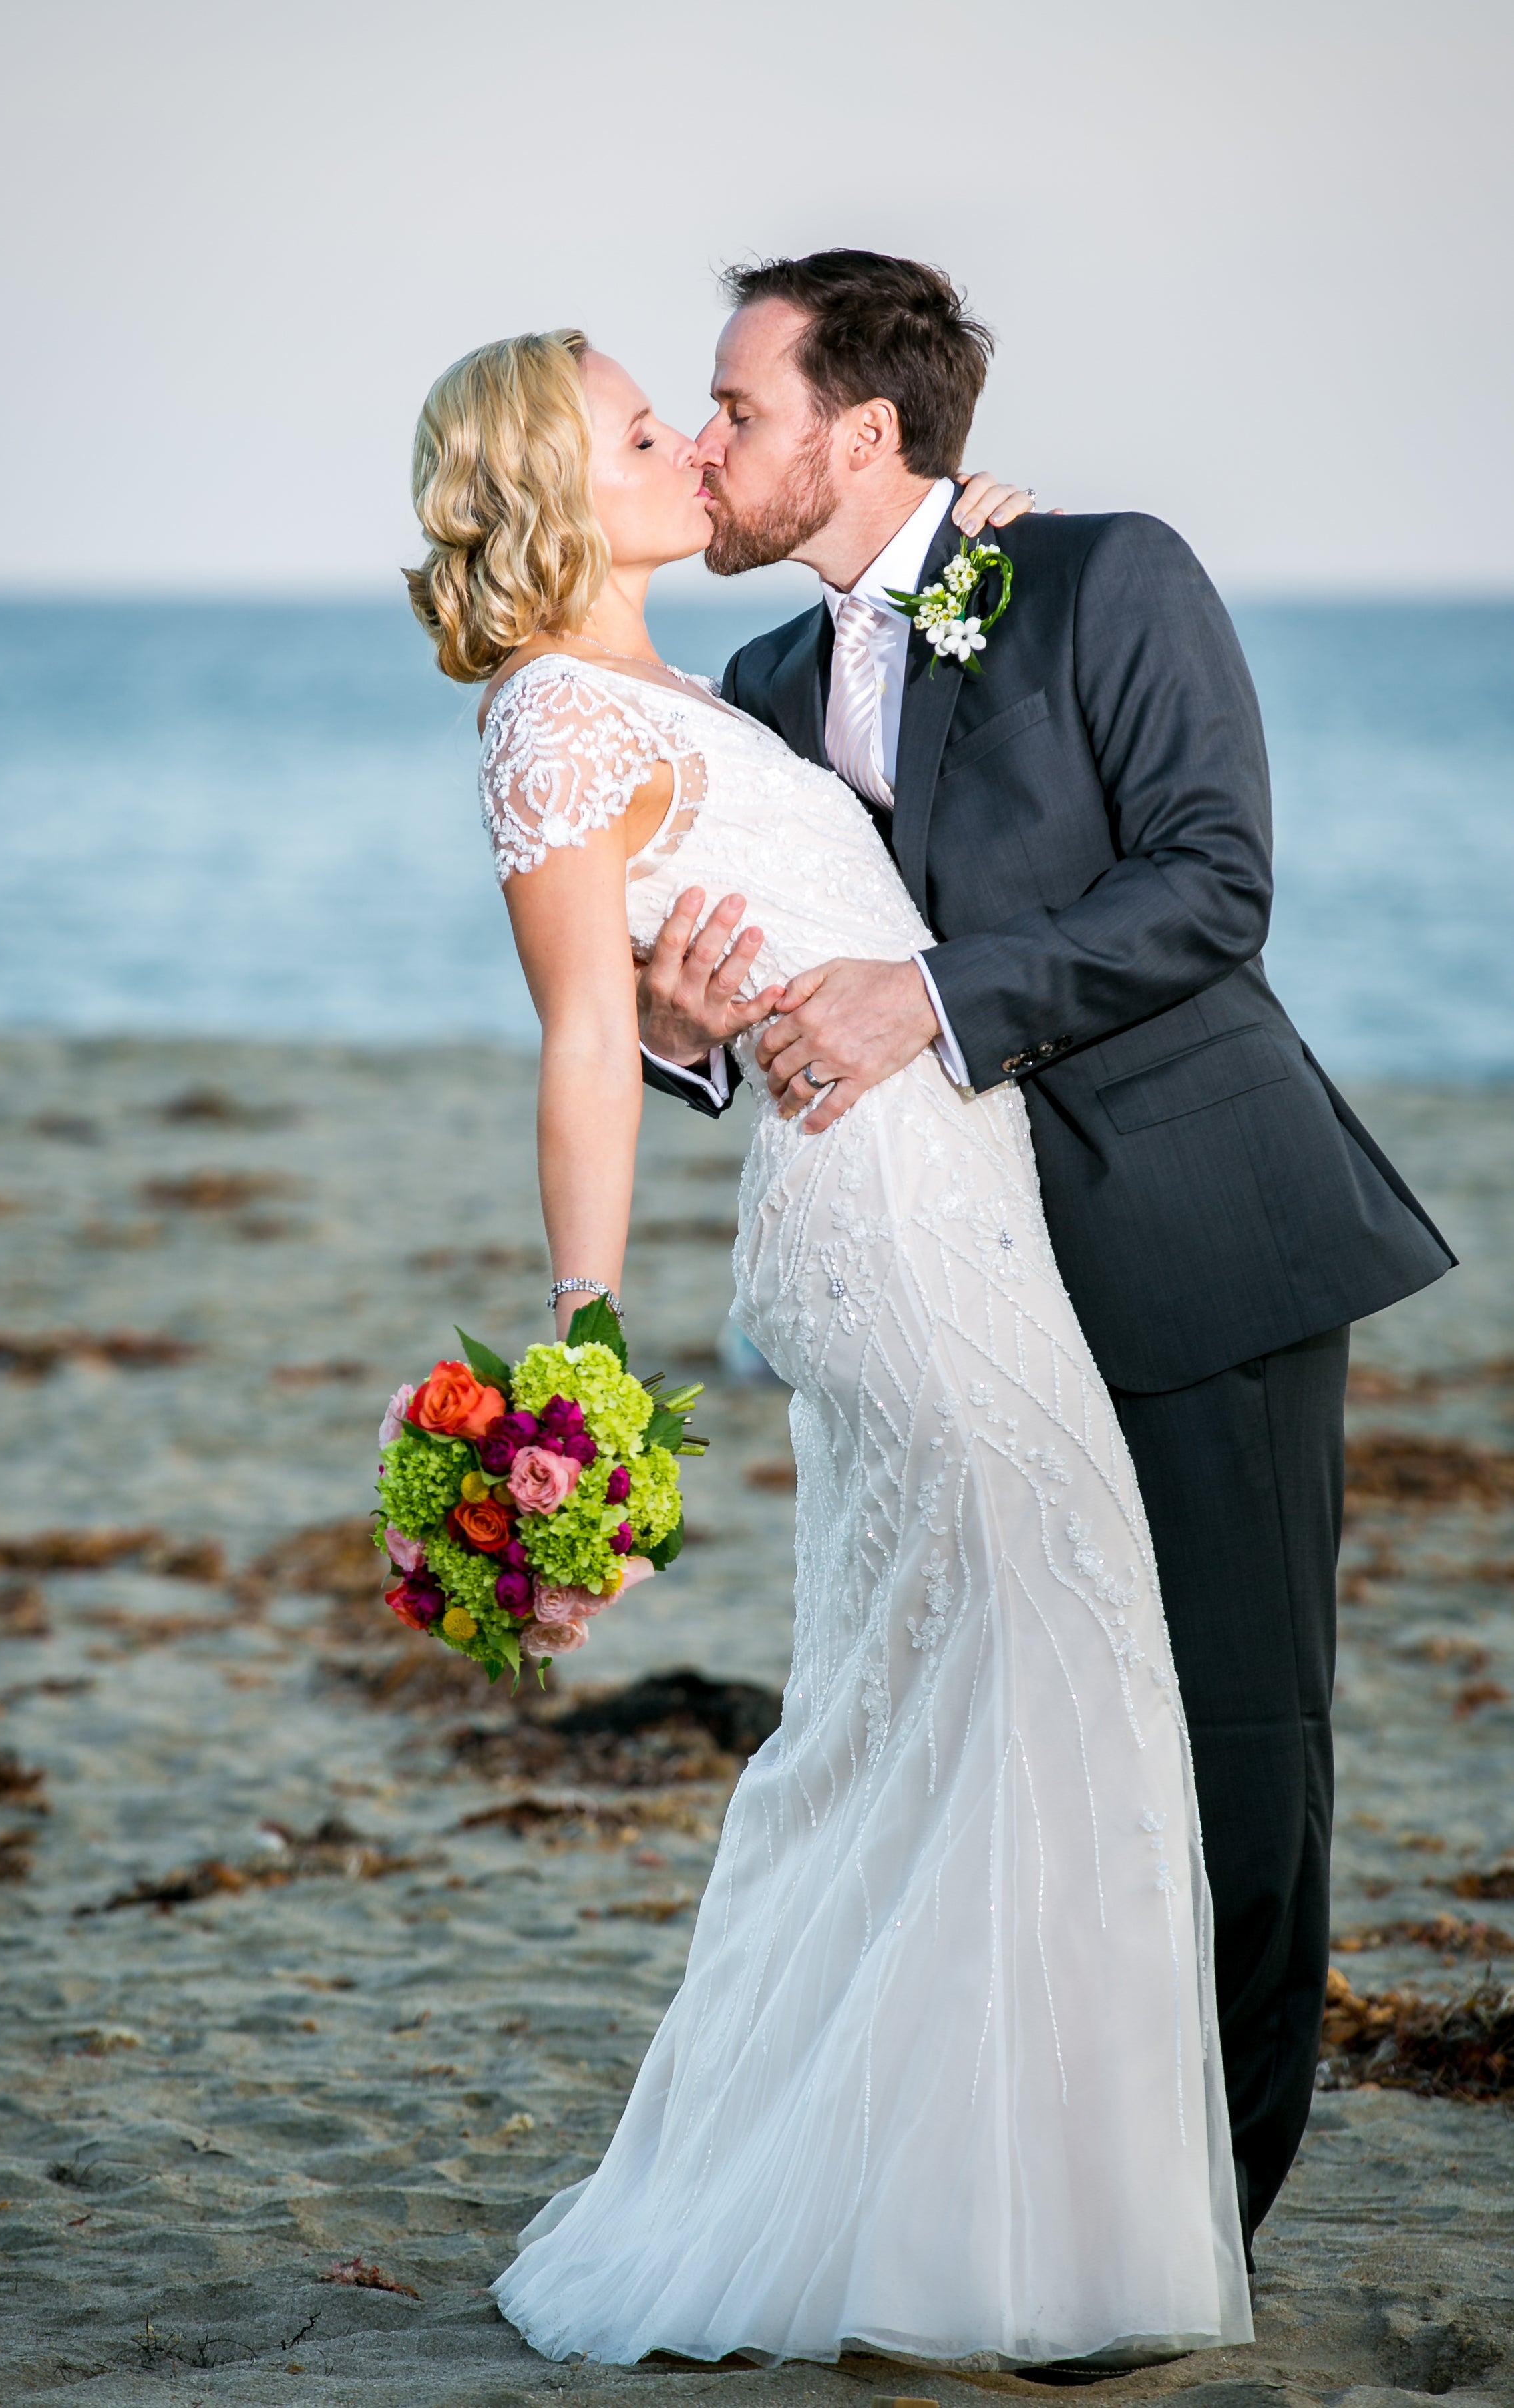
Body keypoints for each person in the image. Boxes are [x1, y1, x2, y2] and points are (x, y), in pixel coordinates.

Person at [405, 322, 1254, 2373]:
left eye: (703, 411)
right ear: (552, 491)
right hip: (886, 1229)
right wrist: (584, 1336)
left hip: (953, 1202)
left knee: (942, 1702)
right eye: (639, 429)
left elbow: (763, 928)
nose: (689, 447)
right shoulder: (550, 720)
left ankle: (940, 2211)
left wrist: (996, 555)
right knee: (1043, 1670)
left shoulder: (689, 686)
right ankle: (994, 2238)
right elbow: (594, 1038)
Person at [635, 250, 1456, 2268]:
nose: (708, 440)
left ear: (865, 432)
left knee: (1240, 1749)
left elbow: (1212, 885)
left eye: (737, 406)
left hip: (1193, 1235)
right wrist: (682, 1039)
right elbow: (772, 989)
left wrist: (930, 991)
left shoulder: (1104, 577)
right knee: (1006, 1747)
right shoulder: (750, 695)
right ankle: (1047, 2197)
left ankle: (1211, 2227)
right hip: (943, 1300)